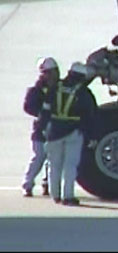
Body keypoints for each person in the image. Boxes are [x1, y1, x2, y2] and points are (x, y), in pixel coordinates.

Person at [40, 62, 97, 206]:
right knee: (70, 166)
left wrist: (42, 129)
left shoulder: (55, 88)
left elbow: (45, 110)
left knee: (55, 165)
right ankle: (68, 196)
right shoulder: (84, 92)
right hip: (73, 132)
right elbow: (90, 117)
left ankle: (55, 195)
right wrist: (92, 137)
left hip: (53, 131)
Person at [22, 57, 60, 197]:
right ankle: (27, 184)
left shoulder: (60, 88)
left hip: (56, 129)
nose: (52, 75)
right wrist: (42, 111)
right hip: (41, 129)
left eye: (54, 71)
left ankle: (48, 184)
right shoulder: (36, 90)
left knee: (53, 159)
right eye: (48, 72)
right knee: (39, 157)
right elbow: (28, 107)